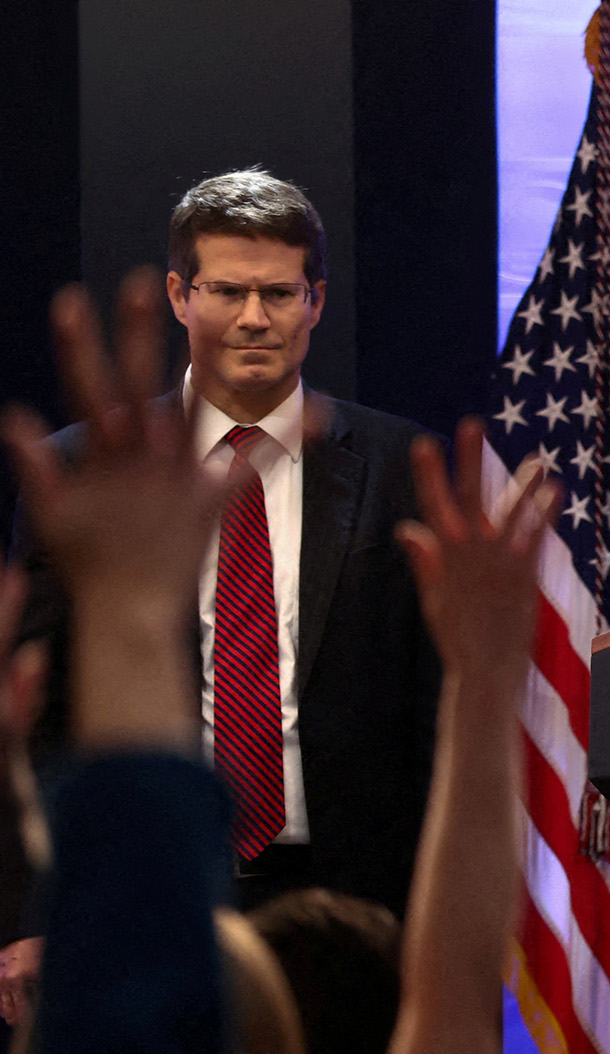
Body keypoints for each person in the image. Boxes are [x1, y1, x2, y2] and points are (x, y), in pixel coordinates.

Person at [13, 168, 442, 927]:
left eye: (278, 293)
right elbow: (35, 712)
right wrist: (29, 914)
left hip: (356, 904)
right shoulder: (90, 474)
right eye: (227, 292)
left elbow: (432, 711)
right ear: (179, 296)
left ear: (316, 301)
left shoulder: (404, 470)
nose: (253, 318)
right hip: (139, 885)